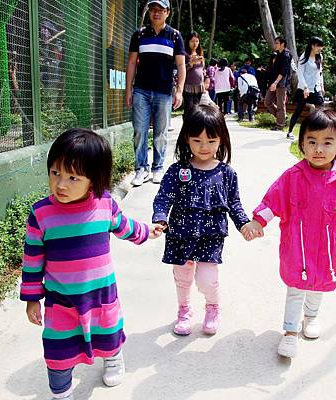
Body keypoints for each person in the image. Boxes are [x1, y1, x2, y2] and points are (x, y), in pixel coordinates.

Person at [20, 129, 165, 400]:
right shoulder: (41, 214)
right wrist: (31, 299)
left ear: (94, 180)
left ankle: (113, 358)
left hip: (101, 296)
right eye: (55, 173)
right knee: (58, 351)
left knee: (108, 334)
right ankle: (61, 394)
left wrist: (148, 231)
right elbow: (32, 260)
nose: (61, 184)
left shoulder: (104, 204)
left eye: (73, 177)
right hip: (61, 300)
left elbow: (125, 227)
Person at [245, 109, 336, 358]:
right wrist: (258, 222)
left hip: (325, 249)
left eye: (327, 142)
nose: (318, 149)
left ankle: (311, 317)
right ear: (302, 145)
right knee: (296, 287)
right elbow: (273, 200)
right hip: (296, 246)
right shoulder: (292, 177)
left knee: (318, 284)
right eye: (312, 141)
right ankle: (289, 333)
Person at [152, 105, 255, 336]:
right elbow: (163, 198)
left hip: (210, 236)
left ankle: (212, 307)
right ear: (187, 139)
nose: (204, 146)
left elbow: (234, 204)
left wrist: (244, 224)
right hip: (180, 234)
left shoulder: (227, 173)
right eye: (197, 140)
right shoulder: (178, 170)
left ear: (221, 140)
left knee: (207, 280)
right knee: (182, 277)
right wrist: (160, 219)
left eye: (211, 140)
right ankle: (184, 310)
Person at [126, 0, 186, 186]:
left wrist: (179, 91)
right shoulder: (139, 34)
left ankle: (157, 168)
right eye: (153, 9)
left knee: (160, 133)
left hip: (164, 92)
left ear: (167, 12)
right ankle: (140, 169)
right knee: (139, 131)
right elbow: (131, 63)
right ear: (149, 12)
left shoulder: (175, 36)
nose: (156, 13)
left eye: (160, 10)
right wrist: (128, 89)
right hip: (141, 90)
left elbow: (181, 65)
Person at [286, 36, 325, 140]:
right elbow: (300, 74)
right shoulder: (304, 57)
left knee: (321, 109)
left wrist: (321, 86)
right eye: (319, 46)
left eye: (321, 46)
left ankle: (316, 131)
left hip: (316, 88)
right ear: (312, 46)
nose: (321, 48)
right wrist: (305, 87)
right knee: (299, 110)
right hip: (304, 88)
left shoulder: (319, 56)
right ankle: (289, 132)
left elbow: (319, 73)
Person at [264, 36, 292, 131]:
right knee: (267, 102)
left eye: (277, 43)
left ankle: (280, 124)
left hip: (281, 84)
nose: (275, 45)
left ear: (282, 44)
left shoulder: (286, 55)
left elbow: (283, 72)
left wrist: (275, 83)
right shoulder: (278, 55)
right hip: (273, 82)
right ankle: (282, 118)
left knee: (280, 104)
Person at [183, 31, 205, 117]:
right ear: (188, 42)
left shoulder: (200, 53)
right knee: (189, 110)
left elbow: (203, 69)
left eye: (197, 41)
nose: (195, 43)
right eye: (192, 41)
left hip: (199, 86)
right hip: (188, 86)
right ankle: (186, 129)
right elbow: (181, 70)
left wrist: (206, 80)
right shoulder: (184, 54)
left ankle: (194, 129)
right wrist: (191, 63)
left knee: (197, 111)